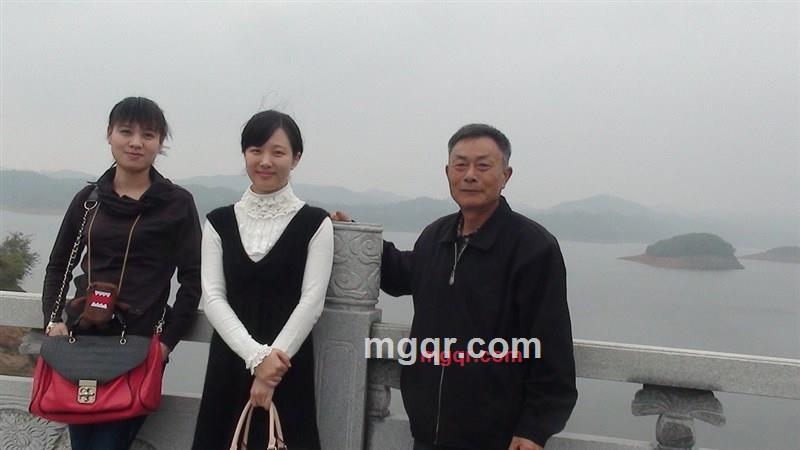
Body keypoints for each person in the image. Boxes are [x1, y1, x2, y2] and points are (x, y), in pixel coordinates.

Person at [334, 124, 577, 450]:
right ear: (448, 173)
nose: (470, 175)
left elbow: (551, 347)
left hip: (497, 438)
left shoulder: (533, 248)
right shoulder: (436, 237)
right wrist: (353, 236)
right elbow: (402, 273)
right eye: (460, 165)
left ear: (506, 175)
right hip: (427, 434)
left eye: (483, 166)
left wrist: (535, 428)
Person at [41, 96, 202, 450]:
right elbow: (60, 265)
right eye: (126, 132)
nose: (136, 142)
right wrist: (52, 320)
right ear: (109, 134)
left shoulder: (176, 203)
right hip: (82, 341)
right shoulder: (89, 200)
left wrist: (166, 344)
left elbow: (192, 280)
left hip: (140, 345)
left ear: (160, 142)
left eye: (148, 135)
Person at [192, 110, 333, 450]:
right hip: (230, 361)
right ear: (245, 154)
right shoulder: (218, 222)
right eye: (256, 150)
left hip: (287, 365)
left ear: (295, 158)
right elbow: (213, 298)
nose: (265, 161)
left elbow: (311, 303)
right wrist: (257, 358)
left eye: (278, 152)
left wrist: (270, 371)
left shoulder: (316, 223)